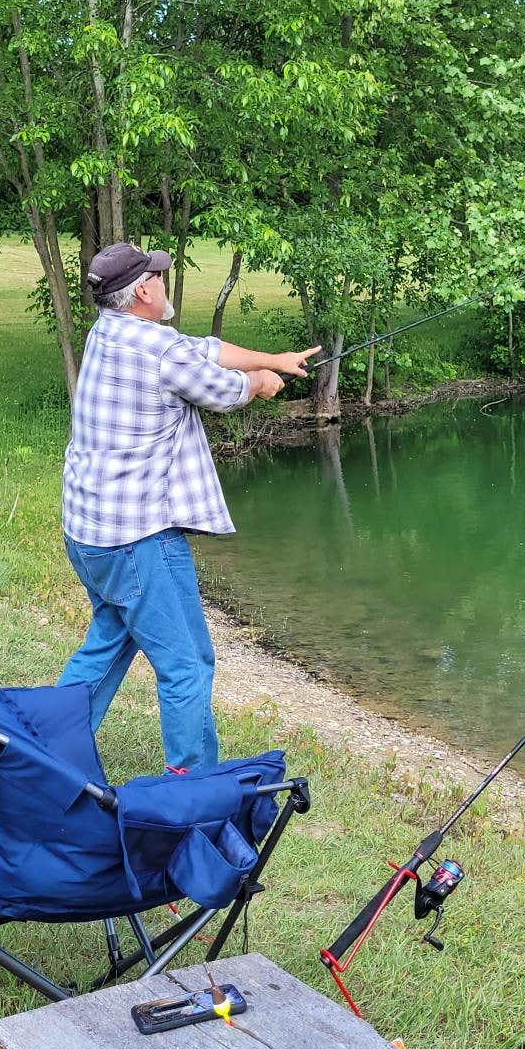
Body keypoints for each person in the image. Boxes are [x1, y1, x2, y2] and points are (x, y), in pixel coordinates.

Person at [57, 242, 320, 772]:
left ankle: (42, 745)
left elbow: (205, 348)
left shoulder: (109, 331)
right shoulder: (159, 352)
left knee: (110, 643)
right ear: (145, 292)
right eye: (157, 274)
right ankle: (191, 786)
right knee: (186, 667)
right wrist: (262, 383)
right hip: (134, 539)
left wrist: (274, 359)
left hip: (90, 532)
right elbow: (226, 390)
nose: (163, 279)